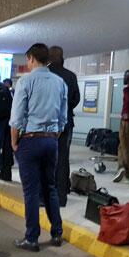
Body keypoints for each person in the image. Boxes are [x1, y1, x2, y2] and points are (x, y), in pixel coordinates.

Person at [10, 43, 68, 252]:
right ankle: (57, 233)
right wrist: (53, 135)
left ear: (33, 58)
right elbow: (63, 118)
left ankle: (32, 238)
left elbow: (16, 117)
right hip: (51, 140)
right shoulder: (60, 82)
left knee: (31, 191)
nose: (27, 63)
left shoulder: (26, 81)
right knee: (50, 187)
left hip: (30, 140)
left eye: (28, 59)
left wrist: (14, 141)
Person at [48, 46, 81, 206]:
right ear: (62, 58)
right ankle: (61, 197)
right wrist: (66, 109)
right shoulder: (70, 76)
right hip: (66, 123)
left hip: (44, 124)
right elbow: (76, 98)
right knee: (62, 159)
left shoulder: (43, 75)